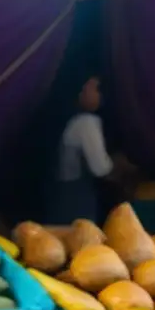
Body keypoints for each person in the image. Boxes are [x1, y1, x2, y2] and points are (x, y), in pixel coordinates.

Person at [49, 75, 119, 225]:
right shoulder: (86, 122)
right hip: (75, 201)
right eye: (93, 88)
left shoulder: (69, 118)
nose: (98, 94)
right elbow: (100, 168)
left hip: (63, 196)